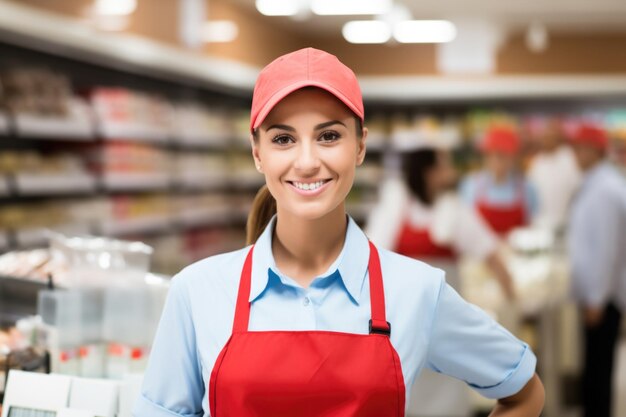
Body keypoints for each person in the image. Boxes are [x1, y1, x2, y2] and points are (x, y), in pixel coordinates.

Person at [134, 48, 544, 417]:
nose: (308, 161)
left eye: (329, 136)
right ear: (257, 153)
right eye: (283, 139)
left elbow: (524, 394)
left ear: (360, 146)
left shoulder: (416, 291)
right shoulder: (197, 291)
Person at [366, 146, 517, 417]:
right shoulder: (395, 206)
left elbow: (491, 254)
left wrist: (513, 302)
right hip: (401, 323)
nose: (451, 172)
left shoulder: (455, 210)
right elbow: (370, 255)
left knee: (445, 383)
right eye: (444, 166)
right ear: (429, 173)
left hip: (443, 321)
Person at [568, 123, 626, 417]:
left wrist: (596, 298)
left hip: (603, 298)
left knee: (599, 370)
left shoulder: (604, 190)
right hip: (598, 295)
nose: (575, 155)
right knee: (594, 367)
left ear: (595, 151)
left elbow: (606, 251)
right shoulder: (597, 183)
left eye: (580, 149)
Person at [460, 126, 538, 236]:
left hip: (515, 252)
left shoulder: (528, 189)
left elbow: (532, 226)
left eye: (501, 155)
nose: (495, 160)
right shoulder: (471, 185)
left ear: (513, 157)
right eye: (490, 154)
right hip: (481, 252)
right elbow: (465, 227)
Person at [527, 118, 581, 232]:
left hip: (566, 224)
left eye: (550, 136)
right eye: (544, 137)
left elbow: (577, 191)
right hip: (540, 224)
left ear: (559, 138)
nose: (546, 140)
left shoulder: (571, 159)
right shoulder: (538, 162)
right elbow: (531, 193)